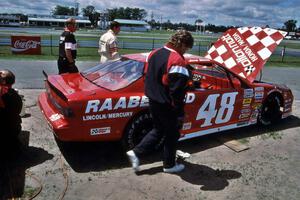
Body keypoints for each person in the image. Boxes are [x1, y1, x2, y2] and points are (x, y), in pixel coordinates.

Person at [126, 30, 194, 173]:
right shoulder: (177, 60)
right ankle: (169, 165)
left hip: (153, 99)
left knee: (158, 129)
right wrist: (179, 112)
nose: (186, 51)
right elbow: (177, 91)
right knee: (173, 134)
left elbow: (147, 74)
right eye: (186, 48)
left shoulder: (154, 52)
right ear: (181, 44)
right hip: (167, 104)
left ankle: (136, 152)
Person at [0, 69, 23, 155]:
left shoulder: (3, 93)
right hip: (14, 128)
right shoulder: (14, 93)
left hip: (5, 131)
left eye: (0, 75)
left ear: (3, 81)